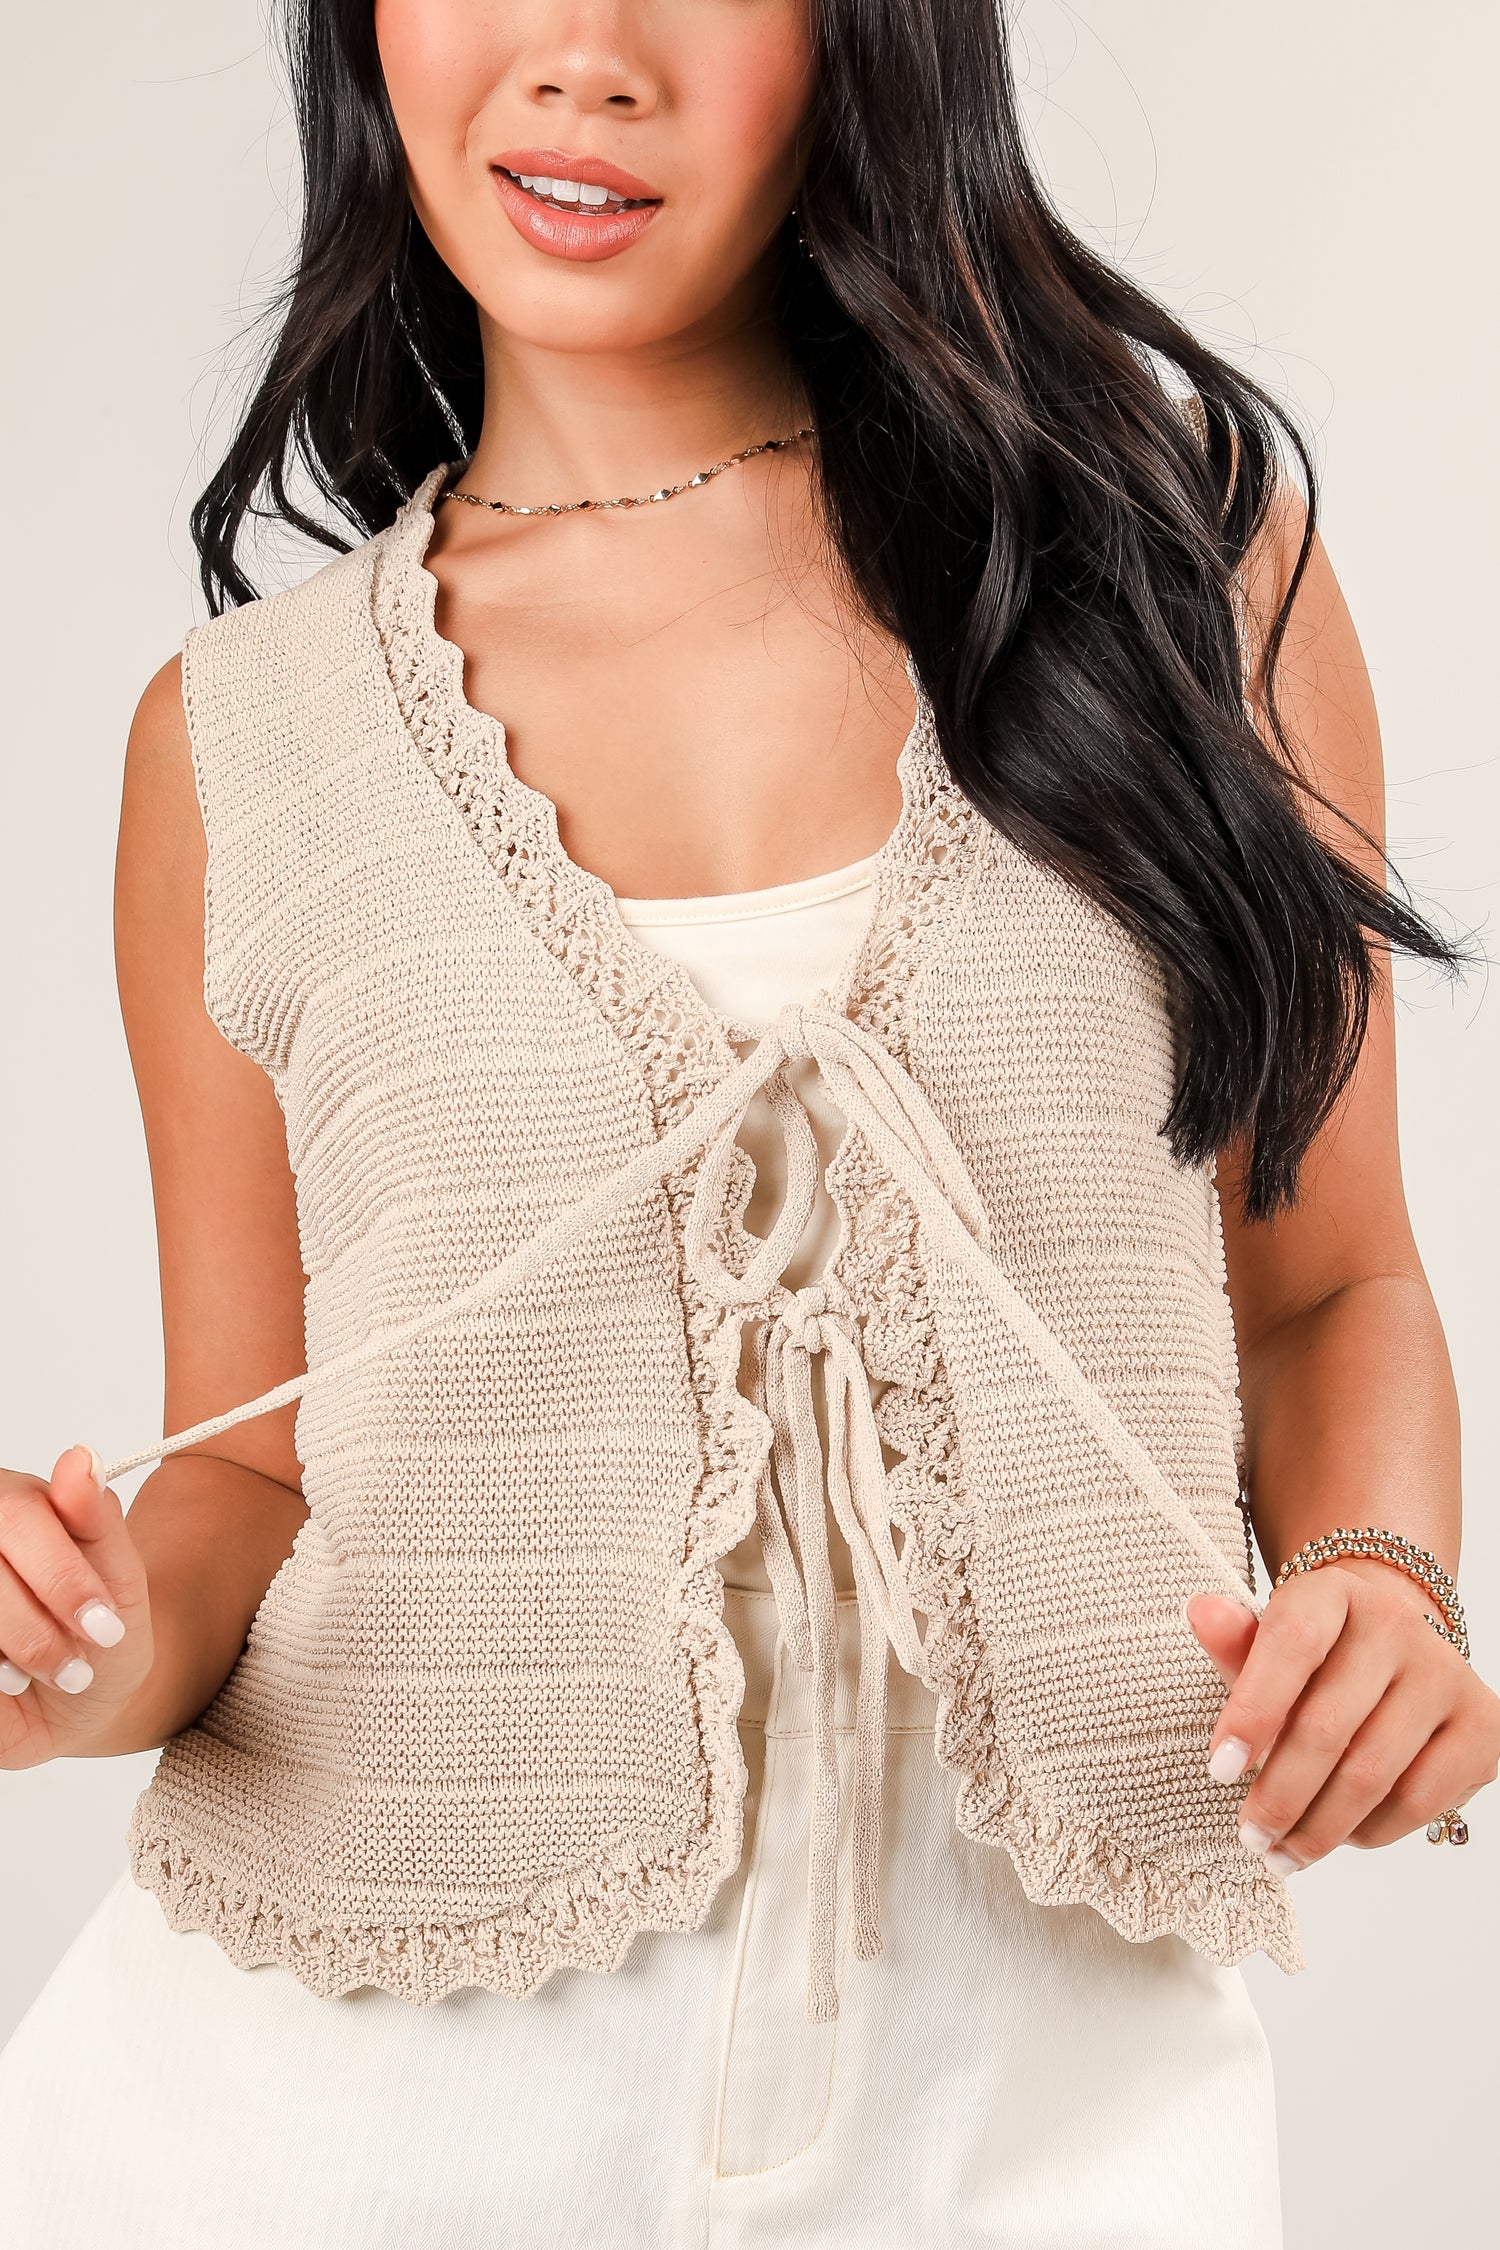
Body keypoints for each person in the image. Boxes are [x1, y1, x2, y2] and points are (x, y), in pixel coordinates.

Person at [1, 2, 1496, 2244]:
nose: (581, 57)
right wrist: (63, 1656)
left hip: (1051, 2129)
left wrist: (1386, 1585)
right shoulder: (236, 747)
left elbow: (1331, 1281)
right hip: (332, 2139)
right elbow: (249, 1472)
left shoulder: (1191, 575)